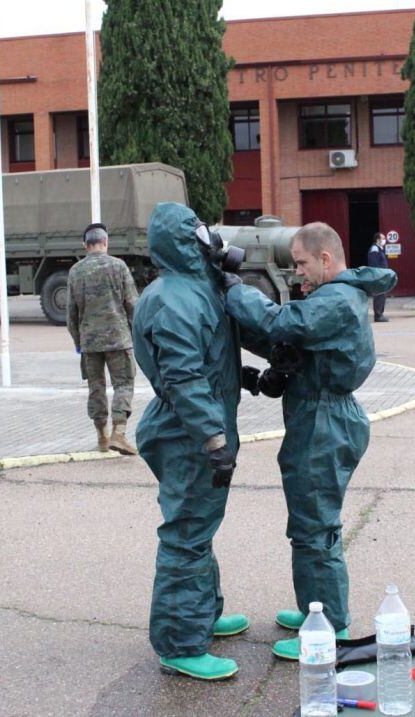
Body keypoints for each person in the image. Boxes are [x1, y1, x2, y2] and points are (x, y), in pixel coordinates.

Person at [224, 222, 397, 660]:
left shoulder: (335, 299)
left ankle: (330, 629)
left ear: (325, 258)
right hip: (319, 417)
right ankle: (316, 610)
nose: (297, 273)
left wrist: (231, 287)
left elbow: (279, 321)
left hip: (325, 422)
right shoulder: (334, 297)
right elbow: (283, 339)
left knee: (315, 528)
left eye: (301, 263)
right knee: (312, 524)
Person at [131, 202, 248, 681]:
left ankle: (203, 614)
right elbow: (182, 377)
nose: (210, 238)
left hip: (194, 427)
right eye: (199, 231)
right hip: (188, 433)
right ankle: (180, 642)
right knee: (186, 534)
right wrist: (213, 438)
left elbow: (210, 359)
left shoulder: (193, 289)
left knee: (199, 527)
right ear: (185, 241)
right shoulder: (175, 298)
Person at [67, 223, 139, 455]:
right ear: (106, 242)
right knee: (124, 384)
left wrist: (79, 341)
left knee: (95, 387)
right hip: (119, 339)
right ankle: (119, 432)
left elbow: (71, 314)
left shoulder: (75, 271)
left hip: (90, 342)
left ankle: (101, 436)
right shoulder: (119, 267)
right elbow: (132, 305)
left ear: (85, 245)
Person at [366, 232, 391, 322]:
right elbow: (374, 264)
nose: (385, 240)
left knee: (382, 295)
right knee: (379, 295)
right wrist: (378, 275)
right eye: (383, 238)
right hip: (378, 276)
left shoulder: (380, 249)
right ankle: (378, 315)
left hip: (382, 276)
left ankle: (380, 314)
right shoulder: (374, 249)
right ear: (378, 240)